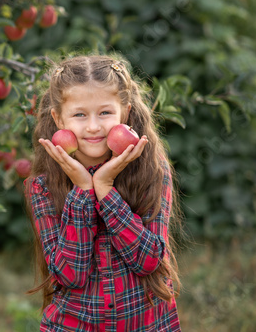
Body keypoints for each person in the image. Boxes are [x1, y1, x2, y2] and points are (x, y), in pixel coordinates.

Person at [24, 55, 182, 332]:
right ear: (58, 118)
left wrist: (106, 191)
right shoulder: (43, 187)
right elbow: (68, 275)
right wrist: (83, 190)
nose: (94, 126)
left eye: (105, 113)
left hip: (146, 324)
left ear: (126, 113)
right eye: (80, 114)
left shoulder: (150, 171)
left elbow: (148, 260)